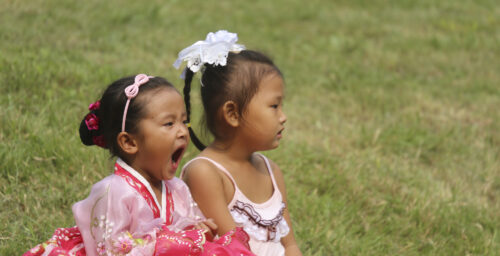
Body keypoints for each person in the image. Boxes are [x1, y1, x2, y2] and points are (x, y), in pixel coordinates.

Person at [24, 74, 254, 256]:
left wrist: (200, 229)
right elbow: (112, 250)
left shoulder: (178, 189)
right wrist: (171, 242)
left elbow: (191, 230)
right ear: (129, 142)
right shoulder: (114, 191)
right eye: (169, 123)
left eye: (184, 121)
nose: (183, 131)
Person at [175, 30, 303, 256]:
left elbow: (289, 245)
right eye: (274, 106)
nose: (283, 116)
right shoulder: (205, 173)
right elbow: (235, 250)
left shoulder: (271, 171)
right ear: (232, 114)